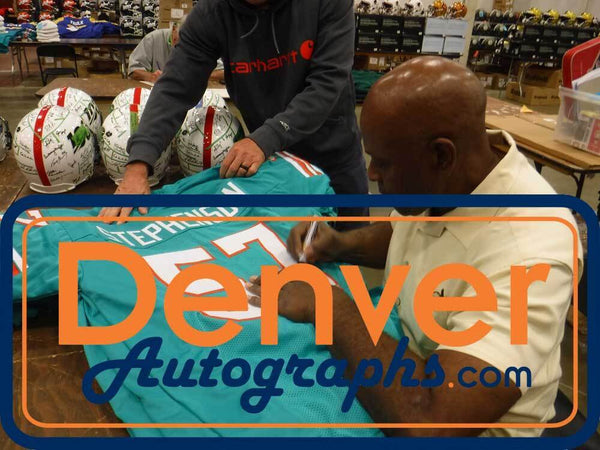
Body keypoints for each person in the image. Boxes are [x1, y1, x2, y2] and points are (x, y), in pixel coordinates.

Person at [247, 56, 583, 437]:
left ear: (442, 155)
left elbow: (432, 423)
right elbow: (408, 233)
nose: (371, 174)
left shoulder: (531, 251)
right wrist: (338, 245)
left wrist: (327, 306)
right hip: (409, 350)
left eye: (383, 163)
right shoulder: (449, 182)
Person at [101, 0, 369, 224]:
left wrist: (266, 138)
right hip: (274, 166)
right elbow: (174, 89)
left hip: (333, 158)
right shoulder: (213, 12)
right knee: (285, 258)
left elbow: (326, 84)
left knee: (348, 254)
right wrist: (138, 164)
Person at [127, 15, 225, 83]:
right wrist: (152, 77)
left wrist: (199, 75)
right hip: (157, 92)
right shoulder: (152, 39)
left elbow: (223, 72)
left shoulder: (202, 43)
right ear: (174, 29)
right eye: (178, 41)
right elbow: (133, 70)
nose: (181, 48)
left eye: (188, 45)